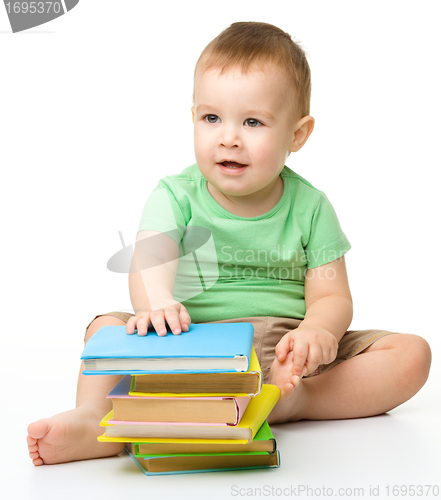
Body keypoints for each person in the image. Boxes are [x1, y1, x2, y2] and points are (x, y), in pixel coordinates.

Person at [27, 22, 431, 466]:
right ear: (194, 117)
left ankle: (296, 401)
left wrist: (317, 330)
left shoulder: (311, 207)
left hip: (284, 351)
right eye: (211, 118)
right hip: (188, 343)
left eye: (253, 121)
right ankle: (96, 420)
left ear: (297, 135)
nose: (228, 137)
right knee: (104, 327)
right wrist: (158, 301)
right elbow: (150, 258)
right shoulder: (176, 193)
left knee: (411, 354)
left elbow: (331, 293)